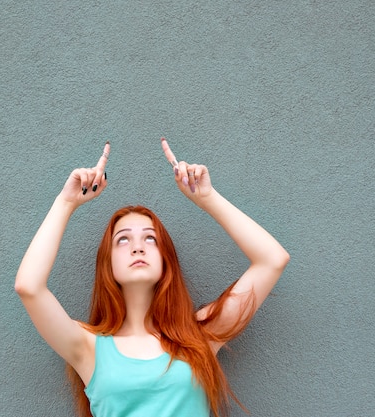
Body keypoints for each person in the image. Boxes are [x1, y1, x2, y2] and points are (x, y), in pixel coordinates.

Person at [15, 138, 290, 417]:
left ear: (165, 259)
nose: (138, 246)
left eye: (150, 238)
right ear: (107, 264)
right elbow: (29, 287)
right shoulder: (87, 347)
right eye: (122, 240)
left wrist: (207, 198)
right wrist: (65, 202)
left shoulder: (200, 335)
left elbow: (272, 260)